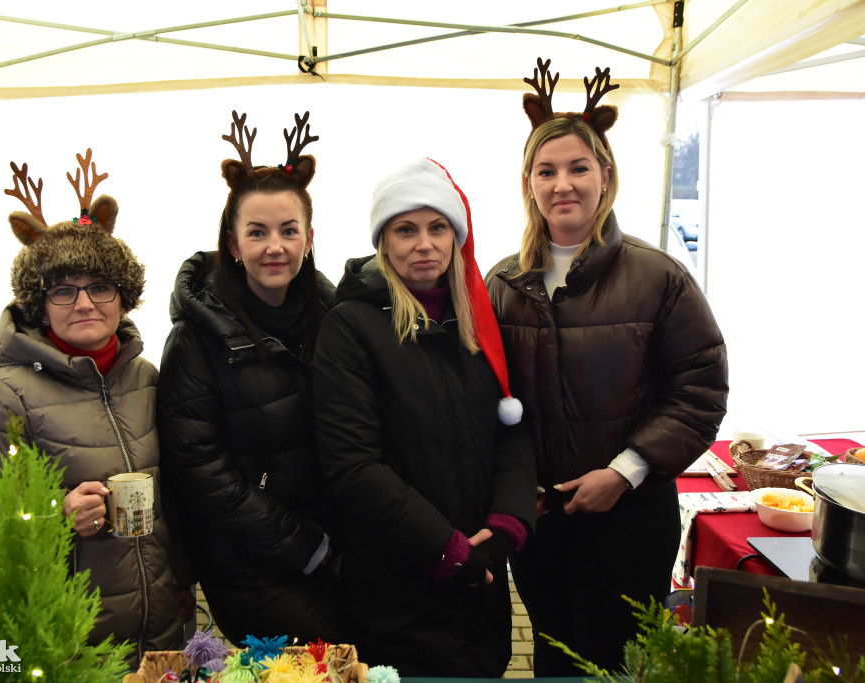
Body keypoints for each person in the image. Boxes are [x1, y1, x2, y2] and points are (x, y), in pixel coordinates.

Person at [486, 58, 729, 676]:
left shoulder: (658, 276)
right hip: (540, 518)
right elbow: (479, 394)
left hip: (631, 513)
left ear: (605, 175)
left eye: (577, 168)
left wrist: (624, 472)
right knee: (552, 652)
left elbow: (699, 388)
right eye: (546, 171)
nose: (562, 183)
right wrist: (513, 489)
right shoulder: (503, 283)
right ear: (529, 183)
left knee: (619, 660)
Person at [0, 149, 192, 668]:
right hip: (69, 641)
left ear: (124, 297)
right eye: (63, 290)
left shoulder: (144, 377)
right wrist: (55, 516)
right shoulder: (2, 394)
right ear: (38, 301)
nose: (84, 304)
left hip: (162, 630)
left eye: (101, 287)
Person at [313, 157, 536, 676]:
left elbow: (513, 430)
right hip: (399, 588)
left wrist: (509, 521)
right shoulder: (351, 328)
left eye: (438, 228)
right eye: (405, 229)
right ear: (383, 242)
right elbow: (353, 465)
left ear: (455, 237)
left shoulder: (477, 323)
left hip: (481, 581)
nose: (424, 244)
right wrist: (444, 546)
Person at [157, 111, 343, 645]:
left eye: (289, 231)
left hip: (331, 543)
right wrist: (303, 545)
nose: (274, 247)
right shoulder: (196, 339)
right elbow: (200, 468)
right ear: (232, 245)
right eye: (256, 233)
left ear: (309, 238)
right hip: (250, 559)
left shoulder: (334, 322)